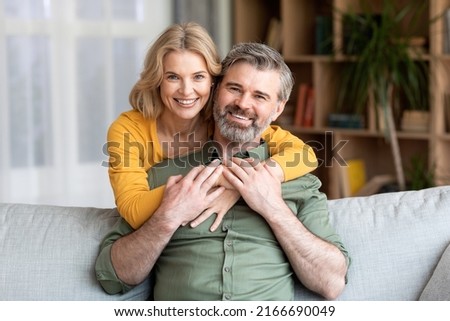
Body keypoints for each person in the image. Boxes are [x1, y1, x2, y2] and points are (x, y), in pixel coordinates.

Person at [95, 42, 350, 300]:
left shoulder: (298, 181)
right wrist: (168, 218)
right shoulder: (163, 178)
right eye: (234, 89)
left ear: (278, 109)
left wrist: (273, 207)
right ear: (215, 91)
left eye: (260, 96)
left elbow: (331, 282)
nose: (243, 104)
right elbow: (112, 277)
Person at [107, 22, 317, 231]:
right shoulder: (128, 129)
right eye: (173, 77)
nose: (186, 91)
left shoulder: (222, 117)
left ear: (213, 82)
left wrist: (238, 189)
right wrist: (225, 182)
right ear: (157, 80)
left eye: (198, 76)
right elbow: (134, 211)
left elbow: (305, 155)